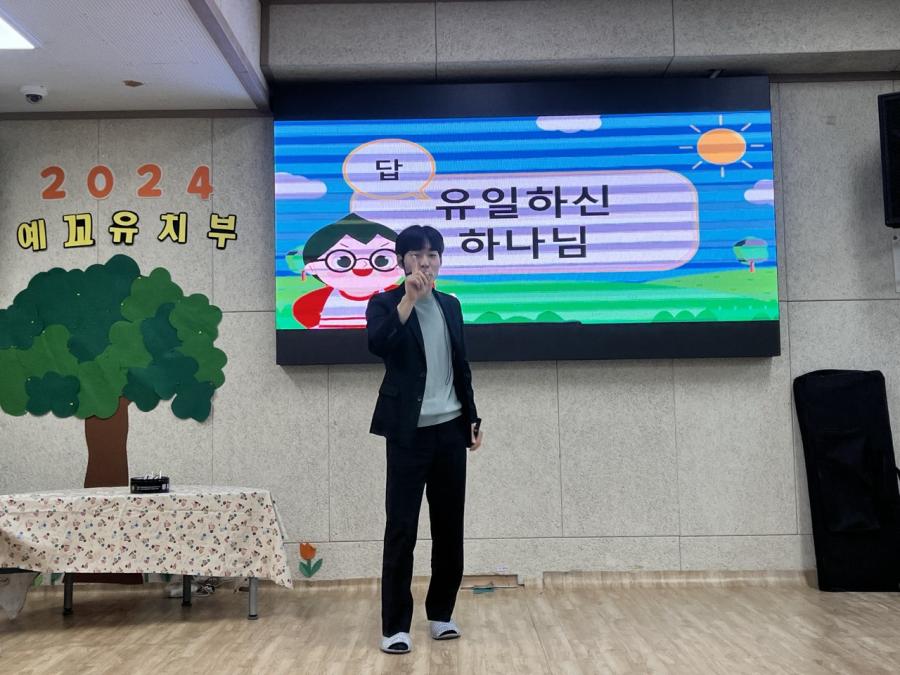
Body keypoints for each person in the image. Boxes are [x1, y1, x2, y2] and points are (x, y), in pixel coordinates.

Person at [366, 224, 483, 655]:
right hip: (407, 432)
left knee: (449, 528)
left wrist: (472, 416)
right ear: (402, 261)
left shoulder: (451, 305)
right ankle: (396, 626)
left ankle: (441, 614)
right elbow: (379, 344)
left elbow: (460, 364)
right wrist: (409, 300)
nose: (425, 262)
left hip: (450, 428)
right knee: (401, 528)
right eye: (416, 255)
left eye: (433, 255)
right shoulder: (384, 303)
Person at [289, 213, 401, 329]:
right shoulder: (322, 298)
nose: (363, 265)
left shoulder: (398, 294)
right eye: (342, 261)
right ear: (313, 267)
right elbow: (302, 310)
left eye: (383, 259)